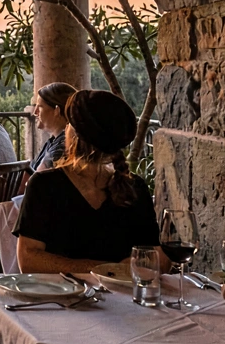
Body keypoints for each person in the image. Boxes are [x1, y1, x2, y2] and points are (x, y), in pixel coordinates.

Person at [14, 90, 161, 272]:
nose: (66, 129)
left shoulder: (133, 187)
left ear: (75, 134)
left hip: (104, 298)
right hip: (69, 297)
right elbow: (28, 260)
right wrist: (104, 269)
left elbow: (159, 257)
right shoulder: (46, 185)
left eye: (69, 124)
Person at [30, 81, 77, 173]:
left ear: (57, 110)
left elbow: (35, 181)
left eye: (40, 107)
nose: (35, 112)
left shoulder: (64, 144)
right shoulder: (54, 141)